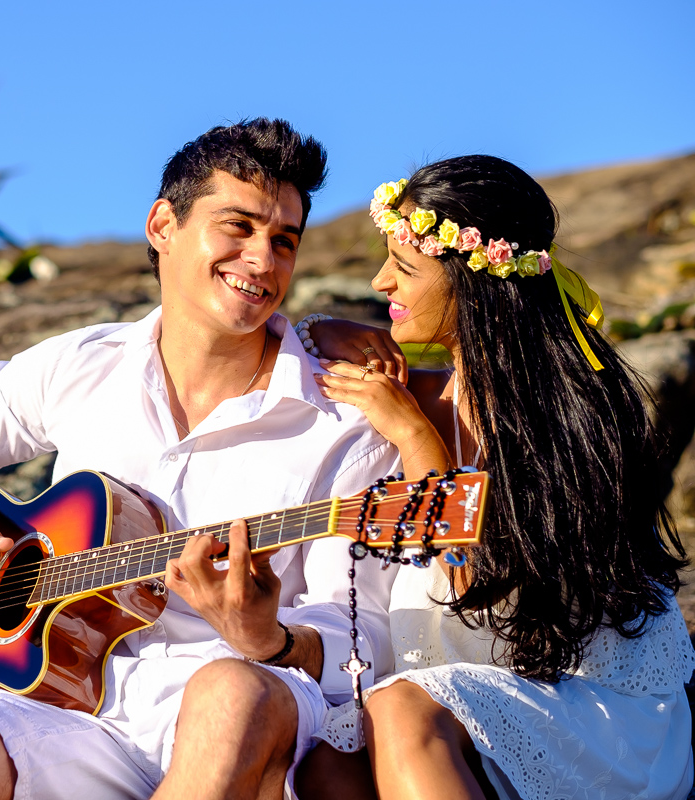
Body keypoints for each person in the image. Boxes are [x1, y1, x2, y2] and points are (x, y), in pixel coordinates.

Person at [0, 118, 402, 800]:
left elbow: (363, 631)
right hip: (75, 708)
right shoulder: (86, 364)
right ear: (163, 226)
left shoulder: (343, 420)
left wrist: (270, 638)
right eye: (238, 226)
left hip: (248, 706)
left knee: (228, 694)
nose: (263, 260)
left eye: (284, 240)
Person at [292, 155, 695, 799]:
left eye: (404, 268)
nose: (379, 281)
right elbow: (288, 354)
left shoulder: (570, 410)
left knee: (397, 708)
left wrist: (416, 440)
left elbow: (474, 591)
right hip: (474, 691)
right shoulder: (434, 392)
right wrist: (324, 327)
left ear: (472, 283)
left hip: (584, 699)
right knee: (324, 766)